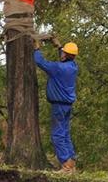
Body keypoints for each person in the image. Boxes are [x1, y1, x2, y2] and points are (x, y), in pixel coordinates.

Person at [34, 38, 79, 172]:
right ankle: (71, 162)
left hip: (59, 105)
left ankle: (65, 164)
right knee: (65, 133)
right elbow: (65, 57)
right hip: (67, 105)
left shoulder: (58, 68)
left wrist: (36, 49)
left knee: (57, 135)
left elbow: (40, 62)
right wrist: (59, 46)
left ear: (65, 55)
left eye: (63, 52)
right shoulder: (73, 66)